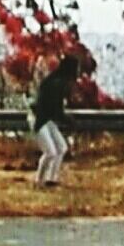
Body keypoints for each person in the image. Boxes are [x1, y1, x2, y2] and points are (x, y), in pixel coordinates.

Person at [31, 55, 79, 187]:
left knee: (61, 148)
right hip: (39, 119)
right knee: (50, 152)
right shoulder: (58, 84)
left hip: (45, 118)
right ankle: (39, 180)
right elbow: (56, 110)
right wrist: (69, 122)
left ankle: (51, 179)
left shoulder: (56, 80)